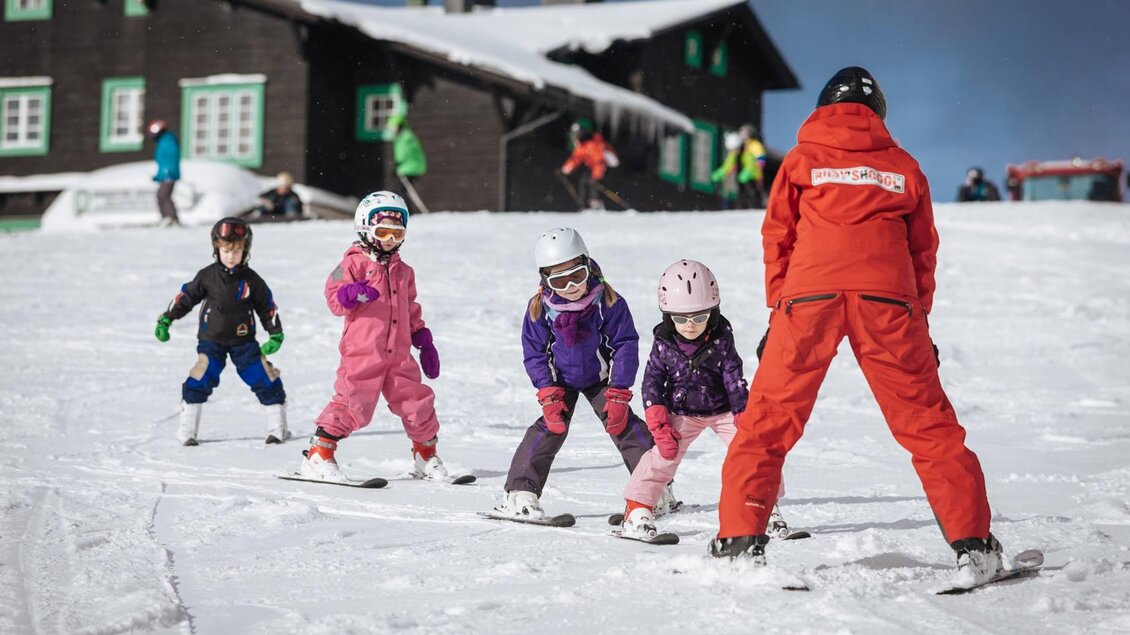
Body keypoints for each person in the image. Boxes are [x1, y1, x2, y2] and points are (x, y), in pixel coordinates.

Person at [712, 66, 1005, 588]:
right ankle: (975, 547)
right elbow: (923, 251)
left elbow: (777, 234)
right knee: (928, 425)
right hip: (888, 300)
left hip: (809, 296)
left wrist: (778, 307)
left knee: (769, 419)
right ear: (879, 114)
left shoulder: (802, 160)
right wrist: (919, 320)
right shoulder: (904, 166)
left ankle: (738, 541)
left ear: (824, 107)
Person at [619, 260, 793, 540]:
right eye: (681, 318)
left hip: (723, 410)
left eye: (699, 318)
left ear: (713, 311)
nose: (690, 326)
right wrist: (658, 419)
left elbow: (733, 375)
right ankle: (636, 511)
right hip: (682, 411)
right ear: (668, 315)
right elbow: (652, 380)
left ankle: (766, 508)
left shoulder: (722, 337)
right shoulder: (664, 341)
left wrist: (742, 412)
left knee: (755, 451)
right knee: (663, 456)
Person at [494, 227, 660, 519]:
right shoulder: (539, 309)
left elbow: (624, 345)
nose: (570, 286)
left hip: (601, 379)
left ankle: (656, 490)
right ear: (545, 280)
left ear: (588, 266)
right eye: (559, 280)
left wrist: (619, 391)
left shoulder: (608, 302)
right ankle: (520, 492)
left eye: (577, 275)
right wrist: (547, 392)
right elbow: (535, 352)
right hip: (559, 382)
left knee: (624, 425)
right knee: (549, 429)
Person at [298, 191, 445, 483]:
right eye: (383, 231)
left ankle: (424, 456)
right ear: (366, 229)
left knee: (417, 402)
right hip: (363, 354)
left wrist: (423, 339)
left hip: (399, 355)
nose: (391, 239)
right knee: (354, 405)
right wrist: (350, 293)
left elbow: (410, 307)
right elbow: (333, 297)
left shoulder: (404, 271)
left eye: (397, 232)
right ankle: (319, 455)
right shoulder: (353, 263)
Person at [154, 217, 288, 445]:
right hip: (211, 340)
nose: (231, 256)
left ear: (245, 251)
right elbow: (185, 298)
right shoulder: (207, 276)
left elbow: (267, 307)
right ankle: (187, 430)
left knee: (263, 376)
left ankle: (278, 427)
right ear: (217, 249)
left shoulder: (251, 280)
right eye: (226, 251)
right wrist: (167, 318)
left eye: (237, 251)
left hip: (244, 341)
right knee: (202, 375)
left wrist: (275, 333)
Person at [560, 120, 619, 210]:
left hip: (603, 168)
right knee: (583, 181)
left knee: (592, 182)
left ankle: (596, 203)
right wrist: (567, 168)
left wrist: (596, 175)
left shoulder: (595, 143)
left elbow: (599, 161)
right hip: (593, 168)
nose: (575, 136)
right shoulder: (582, 146)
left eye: (577, 134)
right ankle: (584, 204)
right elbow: (575, 159)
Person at [148, 120, 181, 226]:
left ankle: (170, 218)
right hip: (166, 174)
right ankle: (168, 217)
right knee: (161, 195)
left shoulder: (168, 140)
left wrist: (168, 172)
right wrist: (159, 176)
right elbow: (163, 161)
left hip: (169, 174)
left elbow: (171, 158)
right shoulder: (162, 141)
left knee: (163, 195)